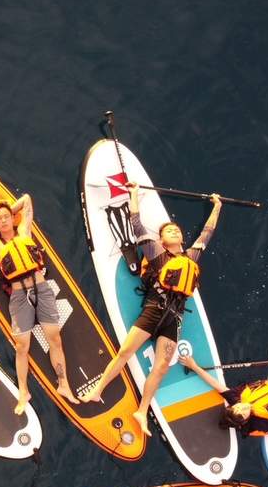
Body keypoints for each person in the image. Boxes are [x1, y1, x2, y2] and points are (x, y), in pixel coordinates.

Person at [77, 182, 223, 434]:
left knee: (162, 367)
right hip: (154, 310)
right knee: (125, 352)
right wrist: (133, 194)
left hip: (173, 319)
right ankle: (97, 391)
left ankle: (142, 411)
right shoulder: (156, 251)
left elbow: (207, 233)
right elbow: (136, 224)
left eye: (177, 230)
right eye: (169, 231)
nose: (175, 232)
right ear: (162, 240)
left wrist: (217, 206)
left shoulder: (191, 257)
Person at [0, 194, 78, 414]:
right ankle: (23, 392)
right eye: (0, 219)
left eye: (7, 217)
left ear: (13, 218)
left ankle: (64, 384)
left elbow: (27, 199)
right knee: (21, 347)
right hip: (19, 298)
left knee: (55, 339)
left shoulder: (24, 231)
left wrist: (8, 208)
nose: (5, 221)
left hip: (43, 290)